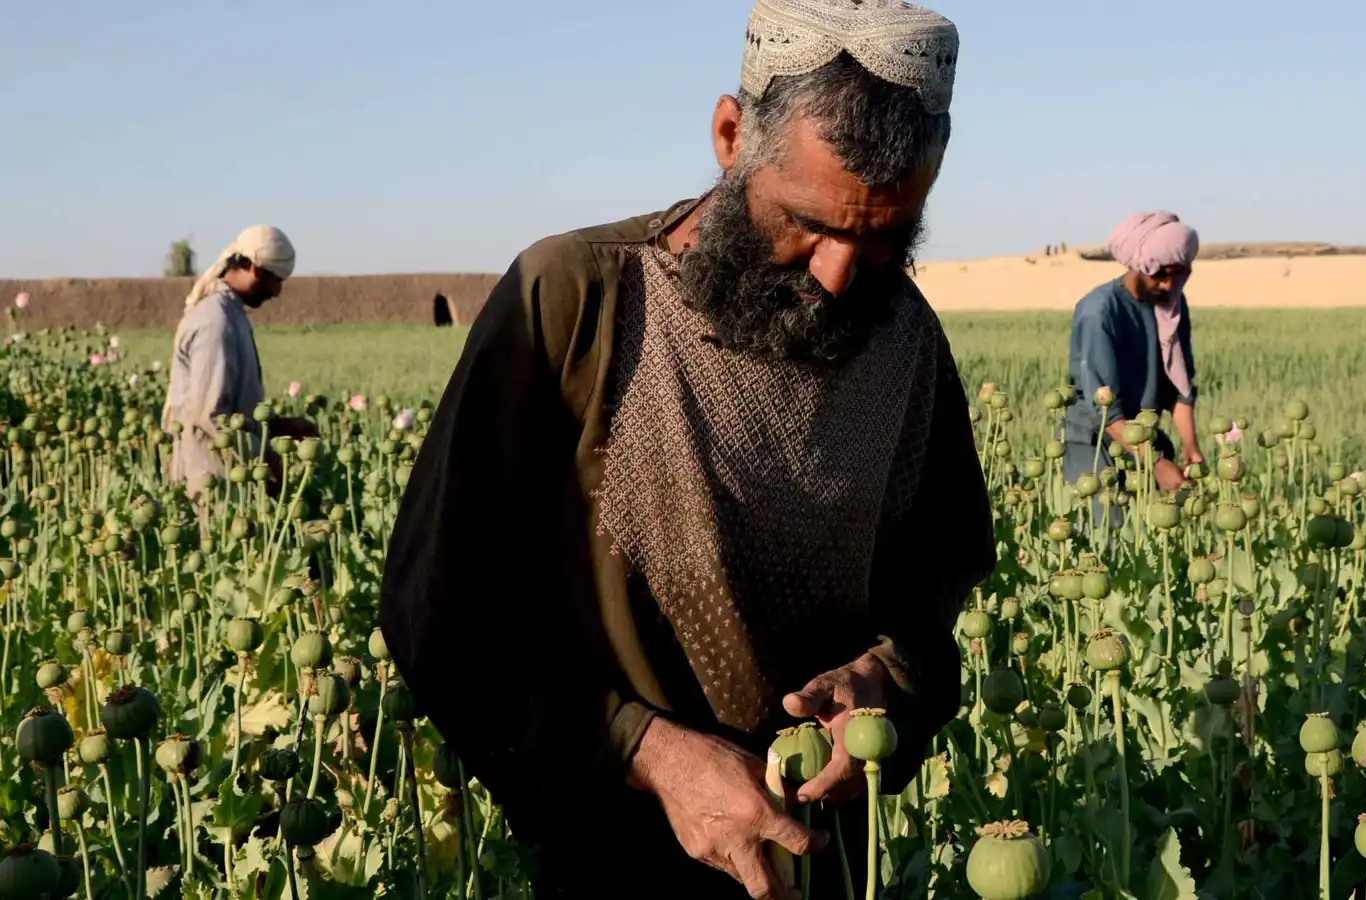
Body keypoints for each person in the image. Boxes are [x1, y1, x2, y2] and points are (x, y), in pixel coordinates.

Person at [377, 2, 993, 897]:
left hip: (824, 860)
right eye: (808, 223)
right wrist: (649, 752)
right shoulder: (579, 300)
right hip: (609, 855)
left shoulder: (906, 339)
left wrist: (881, 683)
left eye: (886, 237)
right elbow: (441, 616)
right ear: (732, 136)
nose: (837, 274)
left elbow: (931, 599)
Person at [160, 225, 317, 497]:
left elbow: (233, 411)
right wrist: (266, 456)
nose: (277, 292)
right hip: (210, 484)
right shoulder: (215, 322)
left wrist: (278, 426)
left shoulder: (231, 314)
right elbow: (210, 417)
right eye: (276, 280)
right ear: (256, 270)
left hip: (232, 481)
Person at [1060, 212, 1205, 499]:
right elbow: (1105, 409)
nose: (1168, 284)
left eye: (1179, 274)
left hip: (1145, 441)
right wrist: (1156, 464)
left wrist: (1191, 449)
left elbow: (1179, 389)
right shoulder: (1100, 311)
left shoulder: (1171, 304)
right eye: (1160, 274)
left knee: (1150, 524)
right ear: (1138, 265)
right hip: (1095, 441)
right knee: (1107, 522)